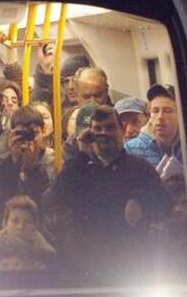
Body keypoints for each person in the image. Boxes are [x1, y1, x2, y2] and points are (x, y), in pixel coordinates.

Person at [50, 105, 173, 277]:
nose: (104, 134)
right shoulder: (80, 169)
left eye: (109, 127)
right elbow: (56, 196)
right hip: (85, 267)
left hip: (129, 267)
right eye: (98, 129)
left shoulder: (139, 168)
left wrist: (140, 200)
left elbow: (165, 203)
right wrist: (82, 155)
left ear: (121, 130)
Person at [0, 195, 56, 272]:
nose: (21, 227)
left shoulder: (47, 255)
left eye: (28, 222)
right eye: (15, 221)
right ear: (5, 224)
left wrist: (47, 252)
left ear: (36, 225)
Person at [0, 106, 56, 207]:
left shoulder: (53, 160)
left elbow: (48, 200)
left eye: (34, 133)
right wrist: (14, 162)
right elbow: (2, 198)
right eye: (22, 134)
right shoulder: (2, 164)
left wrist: (32, 169)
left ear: (43, 132)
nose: (29, 139)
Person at [125, 84, 182, 167]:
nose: (160, 116)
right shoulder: (131, 149)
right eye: (155, 111)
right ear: (149, 116)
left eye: (167, 111)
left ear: (180, 115)